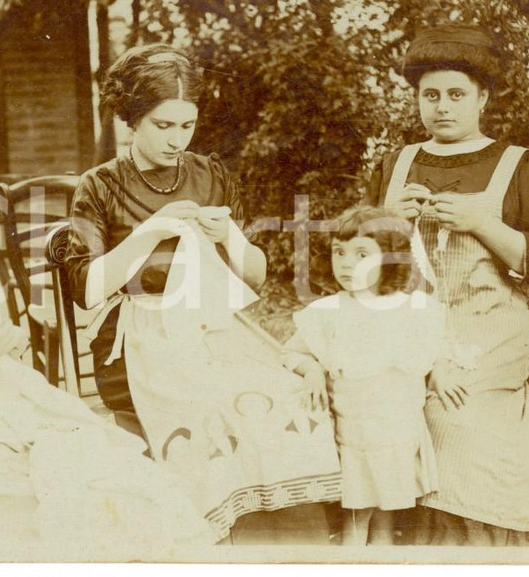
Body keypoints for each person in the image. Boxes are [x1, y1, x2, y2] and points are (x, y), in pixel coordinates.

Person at [65, 43, 342, 541]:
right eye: (162, 125)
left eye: (186, 125)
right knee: (212, 412)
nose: (176, 139)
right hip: (136, 344)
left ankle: (284, 546)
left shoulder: (210, 174)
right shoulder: (100, 185)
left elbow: (253, 279)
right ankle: (210, 542)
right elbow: (86, 290)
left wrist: (228, 236)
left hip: (215, 332)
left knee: (285, 398)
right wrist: (150, 230)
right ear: (132, 119)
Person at [0, 169, 214, 548]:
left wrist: (8, 361)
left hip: (18, 434)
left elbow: (0, 384)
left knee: (130, 483)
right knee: (86, 510)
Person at [364, 25, 529, 545]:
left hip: (486, 333)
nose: (442, 107)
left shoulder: (519, 165)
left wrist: (485, 225)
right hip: (403, 326)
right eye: (430, 95)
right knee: (372, 407)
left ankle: (468, 551)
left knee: (451, 417)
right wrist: (384, 222)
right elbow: (356, 262)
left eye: (456, 94)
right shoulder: (395, 164)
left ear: (483, 98)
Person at [284, 206, 445, 545]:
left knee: (386, 517)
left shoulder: (414, 309)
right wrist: (312, 367)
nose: (345, 263)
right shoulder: (328, 312)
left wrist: (441, 370)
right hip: (358, 435)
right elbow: (292, 351)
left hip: (399, 432)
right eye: (338, 252)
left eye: (361, 254)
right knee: (357, 519)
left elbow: (436, 349)